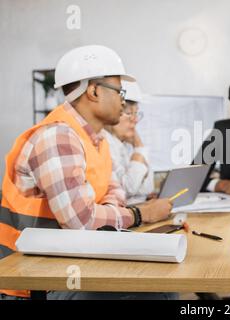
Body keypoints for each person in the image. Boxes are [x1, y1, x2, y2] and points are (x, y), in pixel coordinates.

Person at [0, 45, 174, 300]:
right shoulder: (57, 136)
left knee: (161, 284)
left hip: (67, 263)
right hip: (33, 280)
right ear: (93, 91)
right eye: (119, 91)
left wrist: (104, 215)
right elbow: (81, 222)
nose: (124, 101)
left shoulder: (96, 138)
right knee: (154, 291)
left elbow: (113, 191)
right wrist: (140, 214)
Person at [104, 80, 155, 205]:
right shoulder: (104, 143)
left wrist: (138, 147)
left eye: (136, 113)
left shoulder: (126, 144)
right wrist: (139, 149)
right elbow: (128, 189)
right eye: (129, 113)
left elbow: (147, 189)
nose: (135, 120)